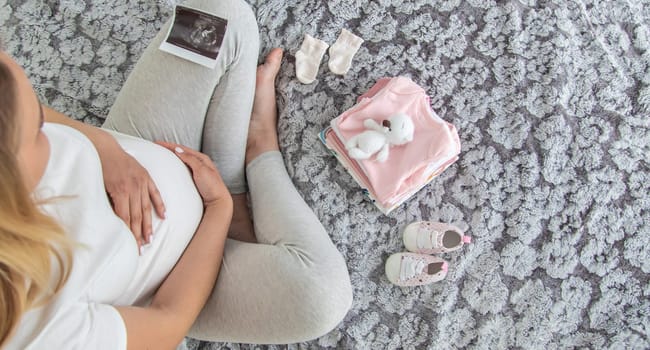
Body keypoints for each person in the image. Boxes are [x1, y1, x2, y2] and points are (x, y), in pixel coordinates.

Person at [0, 0, 353, 348]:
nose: (49, 126)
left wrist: (106, 149)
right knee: (321, 297)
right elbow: (166, 324)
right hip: (175, 281)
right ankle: (258, 144)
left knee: (219, 17)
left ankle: (234, 185)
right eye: (38, 133)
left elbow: (23, 106)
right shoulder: (29, 325)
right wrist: (218, 212)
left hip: (139, 146)